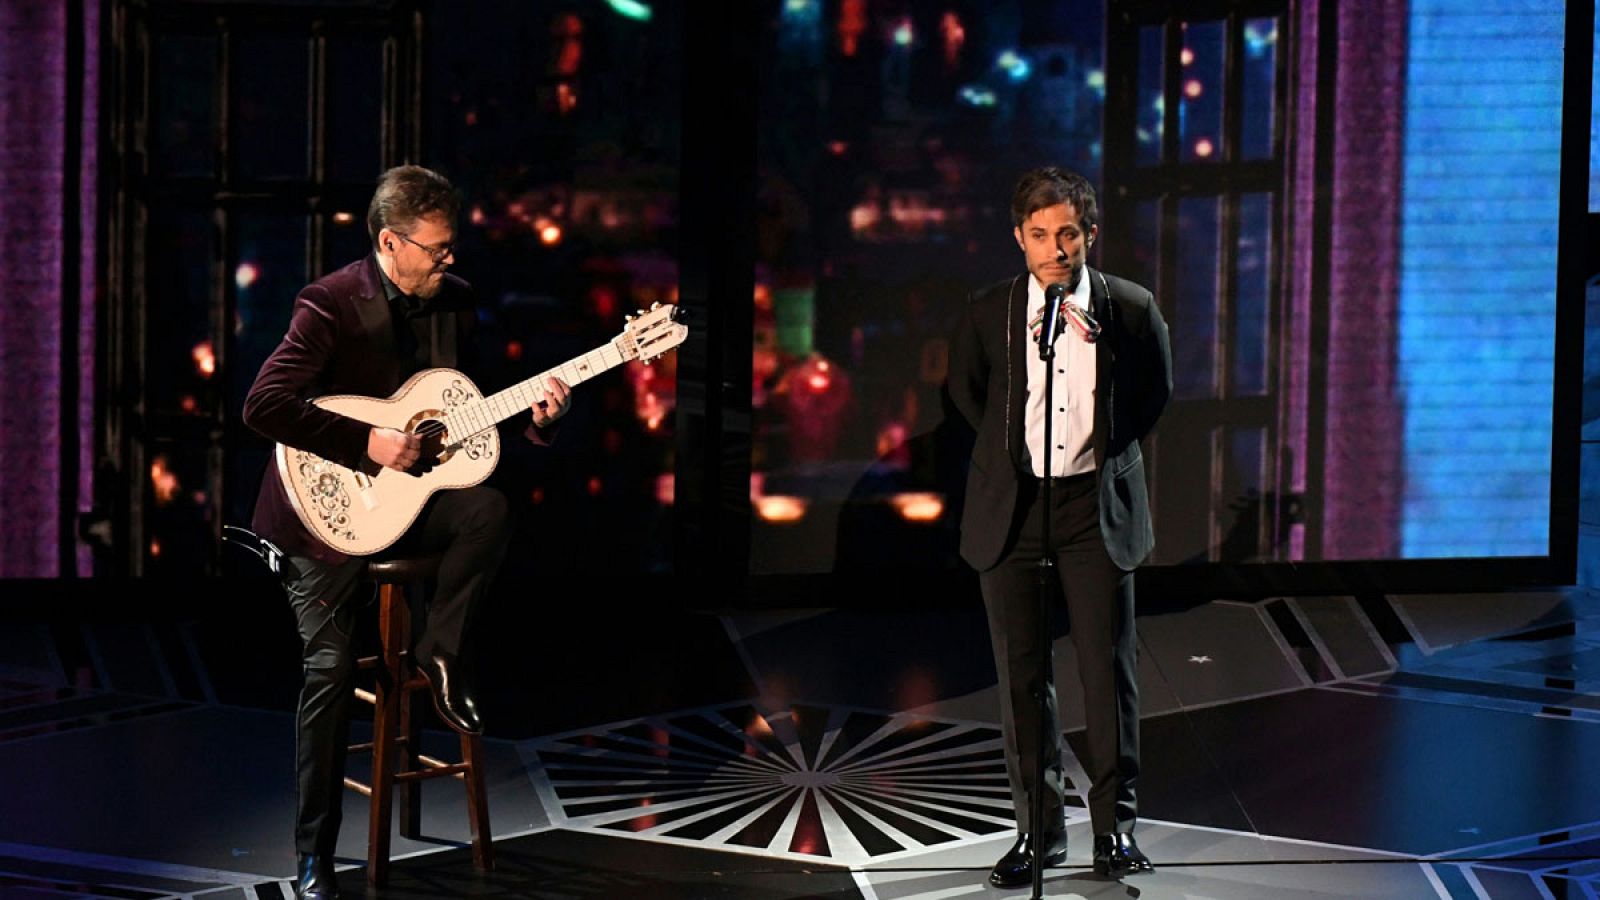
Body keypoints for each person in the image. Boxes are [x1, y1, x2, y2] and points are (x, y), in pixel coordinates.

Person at [242, 165, 571, 900]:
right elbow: (263, 406)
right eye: (437, 248)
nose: (449, 259)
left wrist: (540, 418)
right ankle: (315, 857)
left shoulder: (455, 302)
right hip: (324, 515)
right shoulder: (328, 305)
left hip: (410, 503)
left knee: (489, 509)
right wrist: (369, 447)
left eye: (452, 247)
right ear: (391, 242)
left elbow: (474, 405)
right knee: (328, 671)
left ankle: (441, 653)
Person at [946, 166, 1171, 886]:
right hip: (1013, 507)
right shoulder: (988, 313)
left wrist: (1100, 457)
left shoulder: (1130, 309)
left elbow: (1151, 397)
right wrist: (1014, 464)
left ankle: (1114, 834)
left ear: (1090, 235)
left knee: (1106, 675)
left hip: (1092, 507)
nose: (1055, 249)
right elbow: (969, 398)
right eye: (1040, 235)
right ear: (1019, 239)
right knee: (1021, 679)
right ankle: (1037, 836)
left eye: (1067, 233)